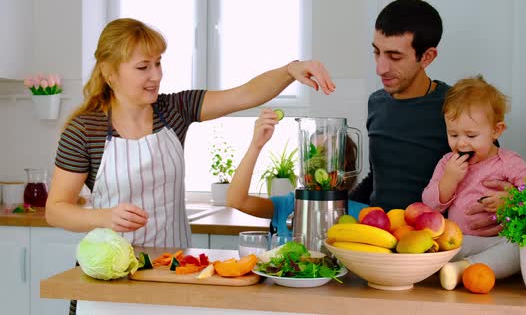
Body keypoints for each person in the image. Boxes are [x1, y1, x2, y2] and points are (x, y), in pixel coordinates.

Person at [45, 18, 336, 249]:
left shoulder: (174, 109)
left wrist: (291, 69)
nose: (156, 75)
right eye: (143, 67)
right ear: (109, 73)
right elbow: (56, 210)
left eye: (158, 63)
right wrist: (104, 217)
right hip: (110, 273)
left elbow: (245, 94)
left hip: (171, 269)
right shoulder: (85, 130)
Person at [348, 0, 511, 233]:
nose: (380, 68)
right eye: (377, 52)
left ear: (427, 57)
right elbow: (378, 178)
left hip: (434, 241)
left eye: (394, 57)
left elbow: (491, 168)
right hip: (379, 236)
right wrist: (340, 207)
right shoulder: (376, 102)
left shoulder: (455, 107)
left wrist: (509, 199)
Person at [421, 76, 526, 290]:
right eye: (453, 134)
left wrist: (513, 199)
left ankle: (464, 270)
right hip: (456, 240)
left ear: (496, 131)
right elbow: (429, 206)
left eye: (471, 135)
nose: (461, 143)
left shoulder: (508, 162)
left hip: (494, 241)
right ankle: (455, 267)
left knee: (521, 247)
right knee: (425, 244)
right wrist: (448, 180)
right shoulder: (446, 163)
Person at [226, 109, 368, 237]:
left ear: (343, 165)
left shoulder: (363, 214)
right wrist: (256, 145)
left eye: (324, 154)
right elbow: (236, 201)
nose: (315, 162)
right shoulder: (288, 205)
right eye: (311, 154)